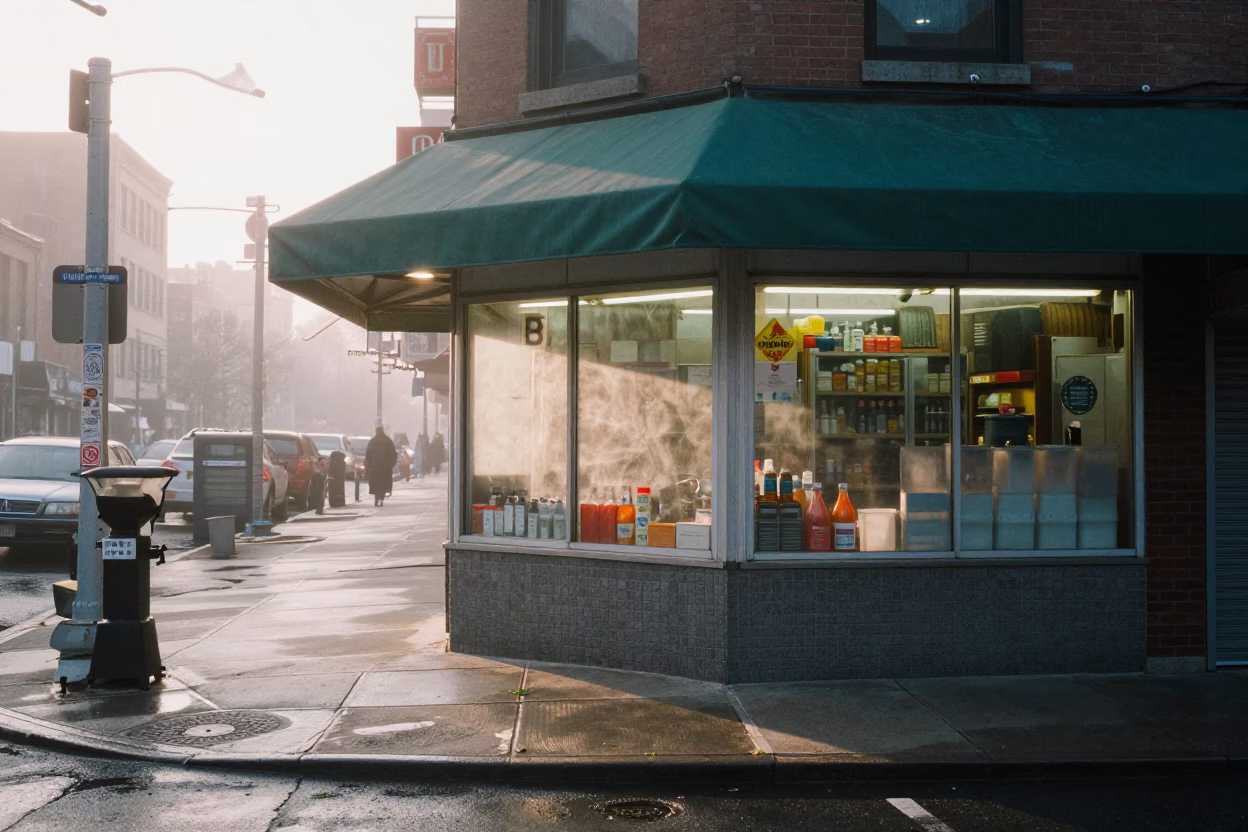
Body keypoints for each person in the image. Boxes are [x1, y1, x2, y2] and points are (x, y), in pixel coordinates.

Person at [364, 425, 398, 507]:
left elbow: (368, 455)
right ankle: (380, 498)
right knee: (383, 484)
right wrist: (391, 464)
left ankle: (378, 498)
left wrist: (368, 466)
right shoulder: (388, 441)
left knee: (377, 484)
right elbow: (393, 455)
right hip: (384, 467)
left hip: (375, 467)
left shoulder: (373, 441)